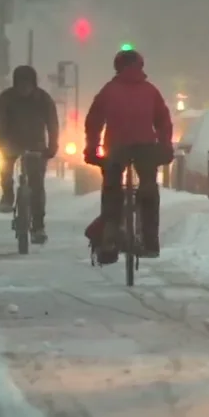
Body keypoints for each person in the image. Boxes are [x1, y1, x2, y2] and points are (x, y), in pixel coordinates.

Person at [83, 49, 173, 261]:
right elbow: (163, 121)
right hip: (146, 148)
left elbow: (94, 121)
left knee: (112, 190)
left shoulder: (109, 90)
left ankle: (110, 237)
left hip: (117, 147)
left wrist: (92, 148)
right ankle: (151, 241)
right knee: (149, 188)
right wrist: (165, 145)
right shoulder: (151, 91)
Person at [0, 65, 59, 242]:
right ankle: (7, 194)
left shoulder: (43, 99)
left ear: (33, 84)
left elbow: (52, 125)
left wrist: (52, 147)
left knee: (37, 186)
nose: (24, 88)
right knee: (5, 168)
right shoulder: (5, 99)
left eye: (27, 84)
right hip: (10, 143)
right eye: (21, 84)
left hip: (36, 146)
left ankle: (38, 226)